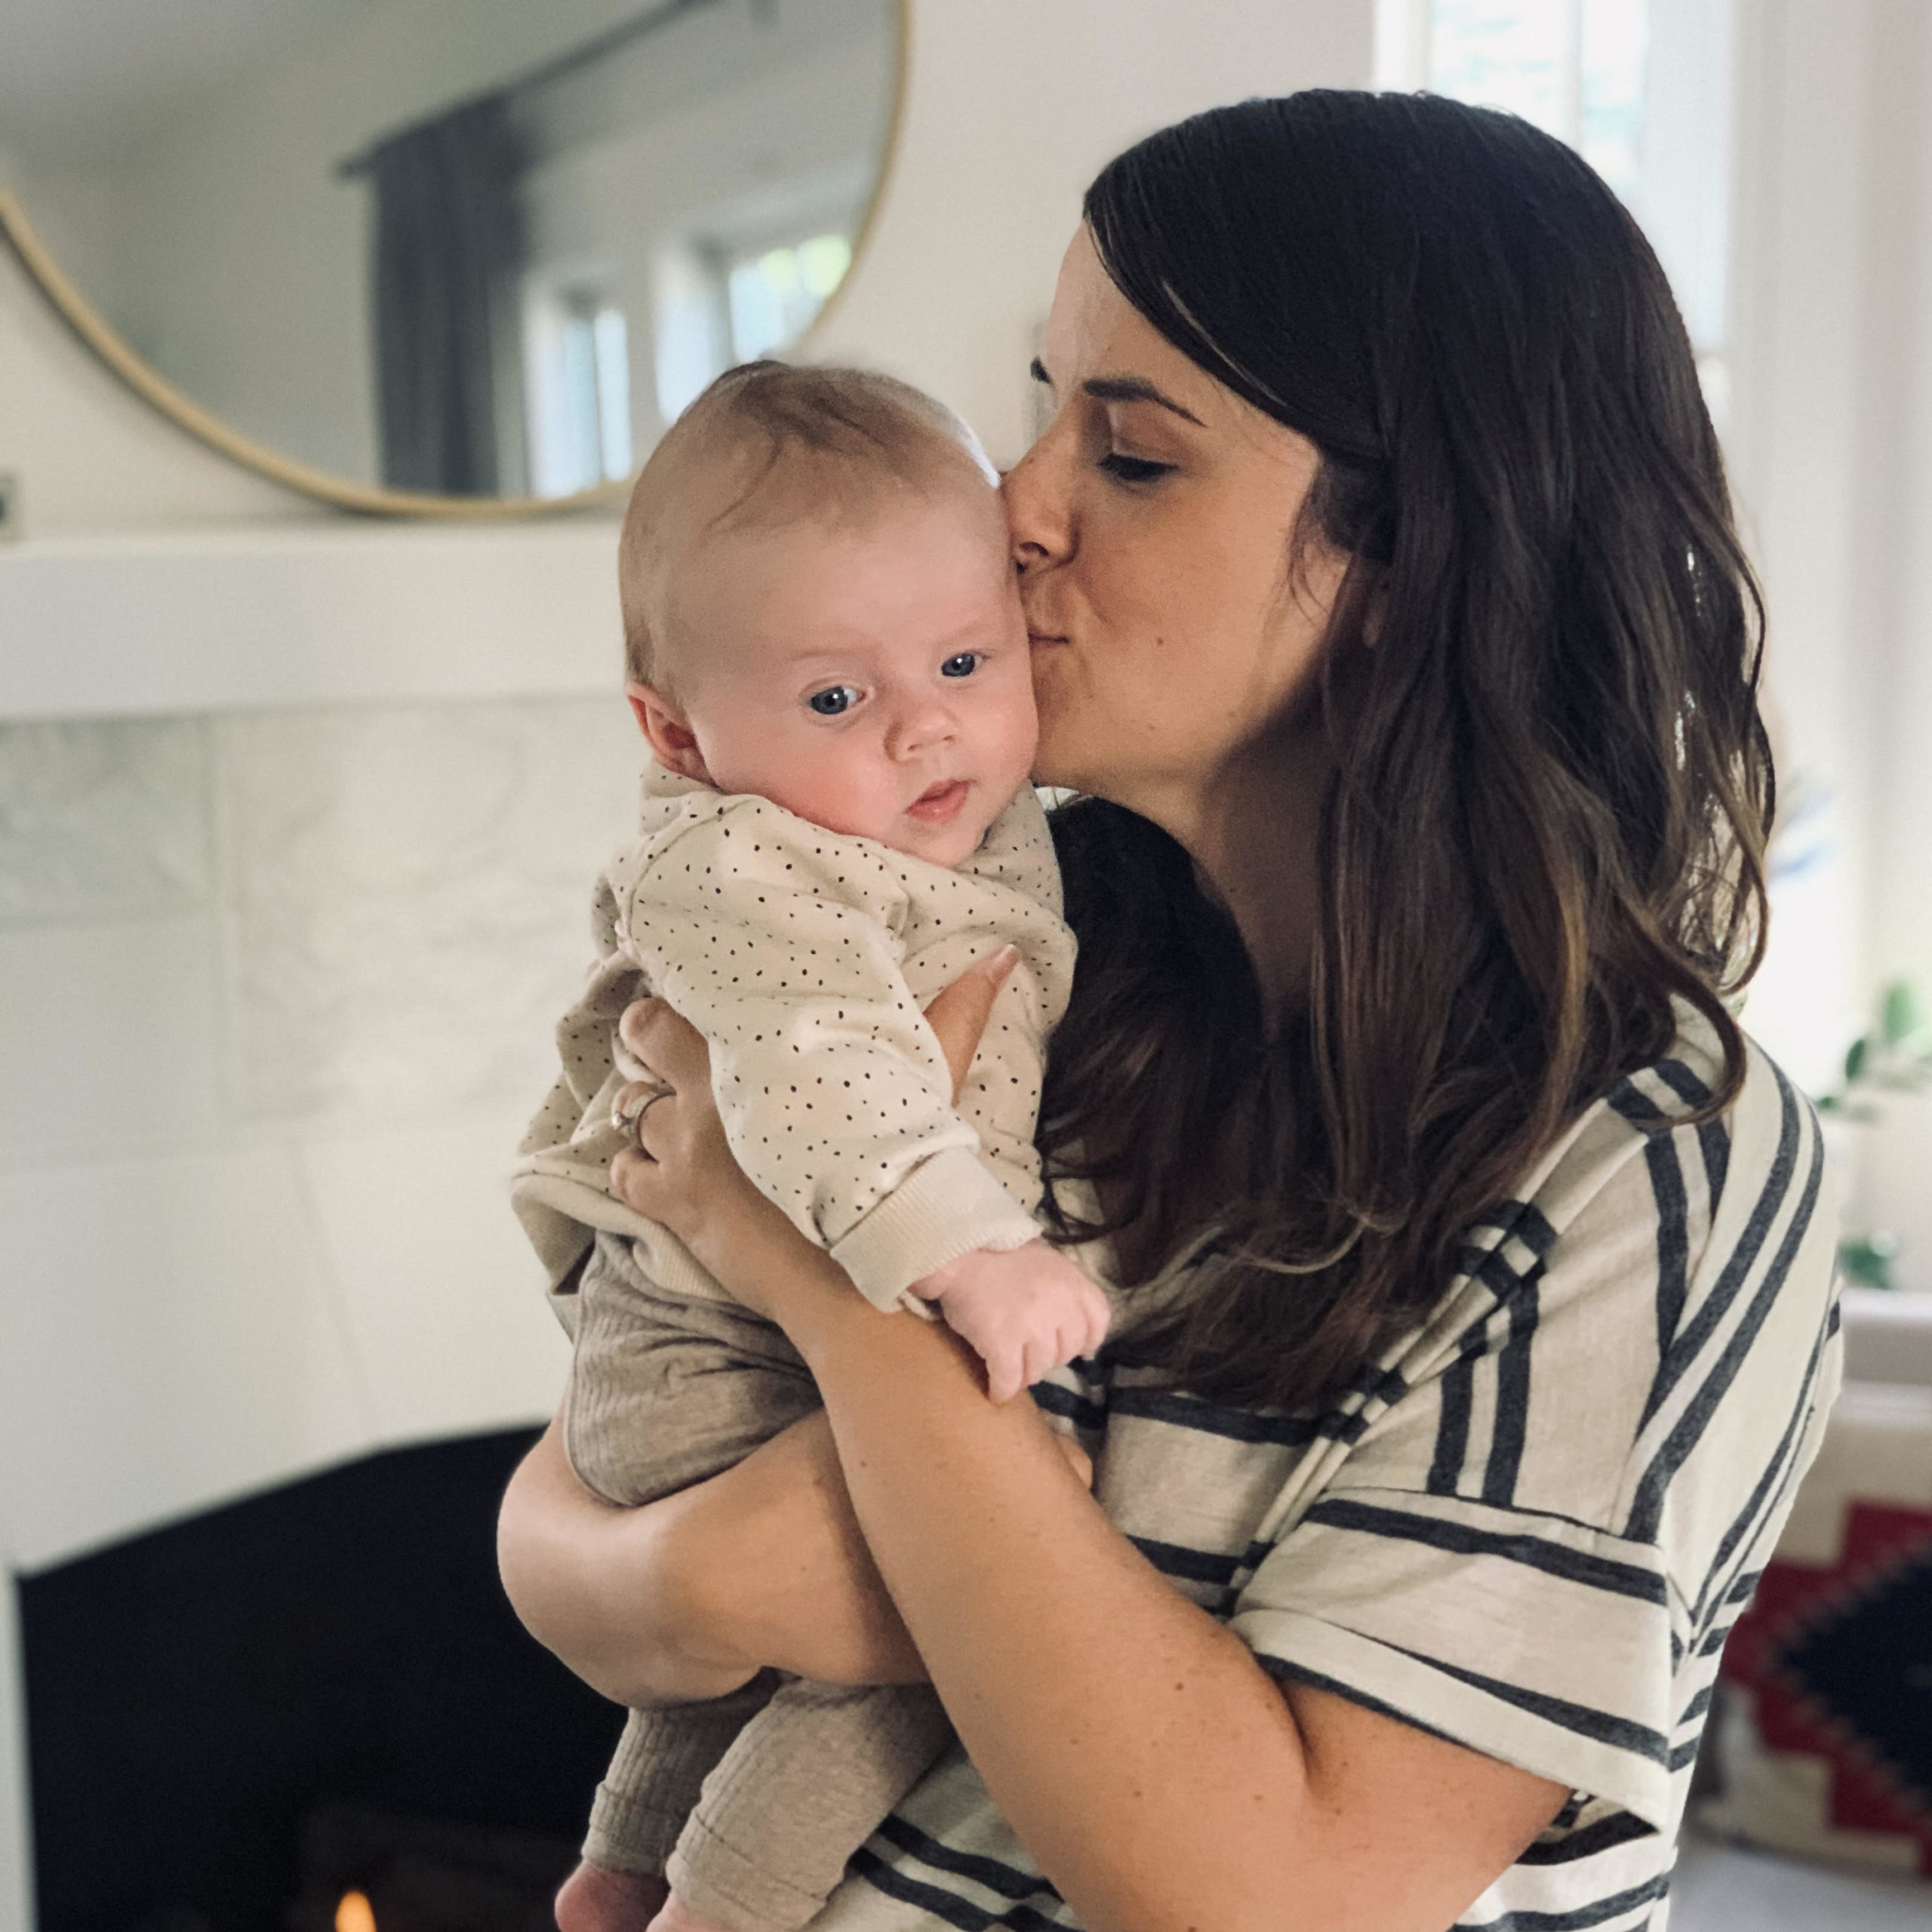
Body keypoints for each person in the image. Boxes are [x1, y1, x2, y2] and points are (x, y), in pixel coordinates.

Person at [500, 91, 1843, 1931]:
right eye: (1041, 404)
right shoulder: (1023, 946)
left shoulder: (1647, 1159)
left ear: (1405, 562)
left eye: (1127, 457)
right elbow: (562, 1508)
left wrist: (824, 1268)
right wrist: (702, 1584)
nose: (1016, 505)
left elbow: (1261, 1891)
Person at [512, 359, 1109, 1932]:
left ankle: (623, 1865)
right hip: (700, 1344)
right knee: (929, 1642)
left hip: (743, 1329)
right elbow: (820, 1062)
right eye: (837, 697)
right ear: (677, 731)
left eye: (966, 658)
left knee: (779, 1653)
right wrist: (966, 1250)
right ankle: (721, 1907)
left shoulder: (946, 815)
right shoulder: (741, 865)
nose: (928, 727)